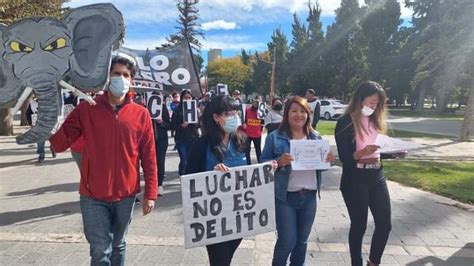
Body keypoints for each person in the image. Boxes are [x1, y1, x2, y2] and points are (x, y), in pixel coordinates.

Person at [50, 56, 157, 266]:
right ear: (107, 77)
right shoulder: (87, 108)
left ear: (131, 80)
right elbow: (59, 144)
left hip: (126, 195)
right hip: (93, 195)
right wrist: (50, 125)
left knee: (118, 246)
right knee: (100, 251)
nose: (121, 79)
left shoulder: (141, 114)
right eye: (116, 73)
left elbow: (149, 156)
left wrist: (150, 193)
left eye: (126, 75)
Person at [335, 81, 406, 266]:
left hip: (377, 176)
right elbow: (345, 158)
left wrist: (394, 152)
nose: (374, 106)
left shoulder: (375, 121)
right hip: (355, 179)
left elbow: (378, 151)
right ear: (360, 98)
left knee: (385, 224)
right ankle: (356, 263)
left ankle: (374, 262)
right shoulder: (345, 122)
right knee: (359, 226)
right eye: (372, 101)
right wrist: (362, 153)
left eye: (378, 103)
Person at [260, 96, 334, 266]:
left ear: (308, 114)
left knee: (301, 242)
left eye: (302, 111)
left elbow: (321, 167)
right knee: (287, 241)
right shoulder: (274, 137)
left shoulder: (315, 137)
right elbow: (262, 165)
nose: (298, 115)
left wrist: (328, 160)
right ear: (286, 114)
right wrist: (278, 162)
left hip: (309, 197)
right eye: (294, 111)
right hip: (285, 197)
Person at [185, 95, 249, 266]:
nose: (234, 117)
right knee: (220, 260)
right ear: (216, 117)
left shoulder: (242, 141)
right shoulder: (201, 145)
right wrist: (211, 175)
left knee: (225, 260)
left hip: (238, 215)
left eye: (236, 112)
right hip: (213, 217)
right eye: (229, 113)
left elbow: (249, 174)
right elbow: (188, 177)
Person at [171, 89, 199, 176]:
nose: (187, 100)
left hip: (193, 138)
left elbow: (201, 124)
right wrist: (181, 126)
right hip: (181, 139)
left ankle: (191, 176)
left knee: (193, 159)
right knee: (184, 160)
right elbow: (172, 125)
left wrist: (196, 123)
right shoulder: (177, 110)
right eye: (185, 98)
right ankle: (182, 175)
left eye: (189, 97)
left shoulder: (196, 110)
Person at [26, 95, 56, 163]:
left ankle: (53, 149)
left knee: (52, 138)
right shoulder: (33, 104)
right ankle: (41, 155)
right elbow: (28, 114)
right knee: (40, 141)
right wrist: (31, 123)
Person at [152, 95, 171, 196]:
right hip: (149, 140)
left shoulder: (163, 108)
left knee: (160, 161)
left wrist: (161, 122)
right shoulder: (144, 107)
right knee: (150, 163)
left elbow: (169, 124)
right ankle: (151, 184)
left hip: (161, 140)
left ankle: (159, 184)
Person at [242, 97, 263, 164]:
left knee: (258, 150)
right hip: (247, 134)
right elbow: (243, 120)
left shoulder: (261, 112)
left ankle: (260, 164)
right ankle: (248, 164)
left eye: (257, 102)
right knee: (247, 150)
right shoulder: (247, 110)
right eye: (254, 102)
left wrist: (261, 130)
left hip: (257, 134)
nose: (255, 104)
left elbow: (263, 122)